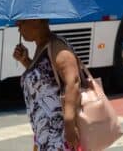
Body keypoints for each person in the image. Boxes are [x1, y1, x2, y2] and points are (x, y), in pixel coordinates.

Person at [13, 19, 82, 151]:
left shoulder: (57, 46)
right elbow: (46, 82)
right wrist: (25, 60)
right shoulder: (42, 46)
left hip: (59, 136)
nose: (18, 26)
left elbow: (73, 81)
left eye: (22, 22)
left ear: (37, 21)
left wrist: (69, 124)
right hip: (45, 136)